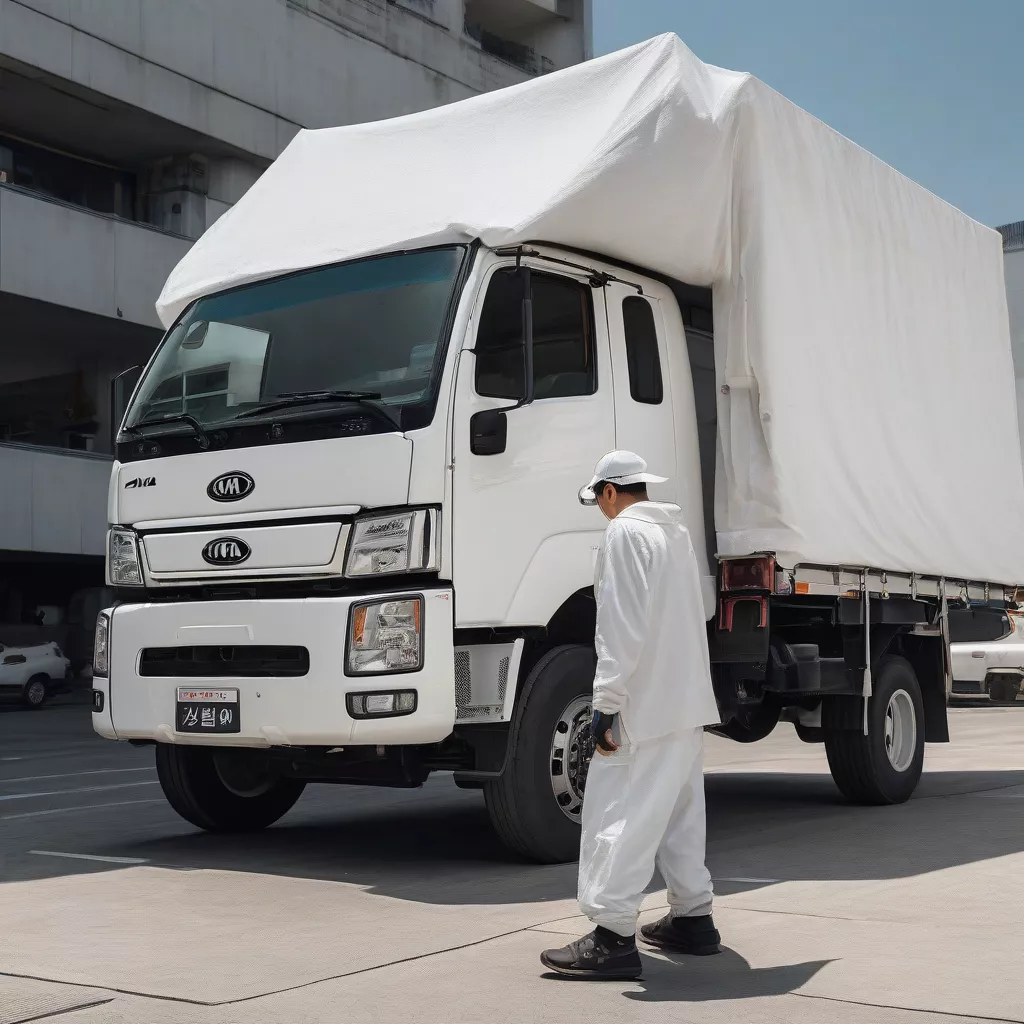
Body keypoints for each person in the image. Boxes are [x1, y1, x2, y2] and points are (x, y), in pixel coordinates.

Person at [540, 450, 722, 980]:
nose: (599, 509)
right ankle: (694, 919)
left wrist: (606, 704)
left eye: (598, 498)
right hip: (686, 701)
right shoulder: (675, 535)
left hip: (645, 706)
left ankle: (612, 938)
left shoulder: (624, 535)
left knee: (622, 815)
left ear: (612, 492)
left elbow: (620, 627)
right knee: (680, 816)